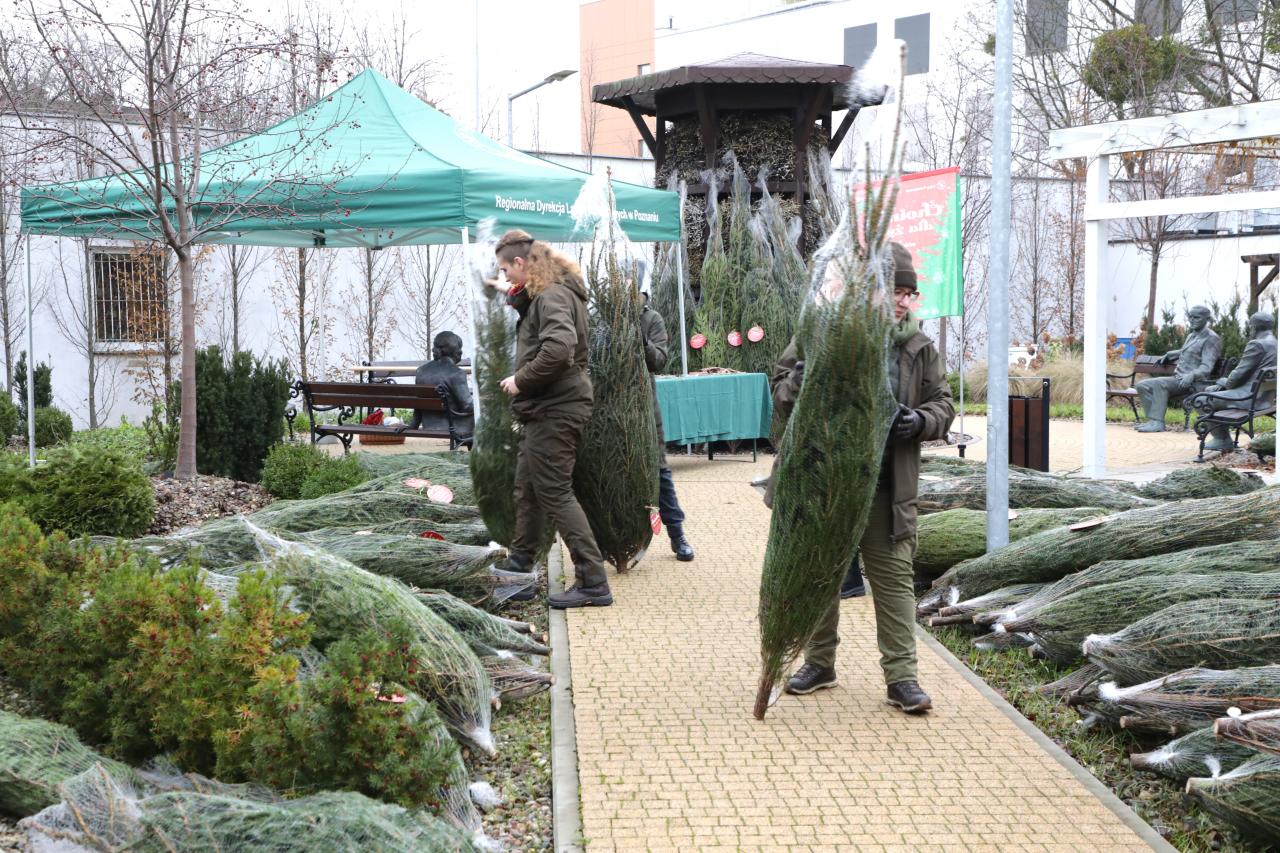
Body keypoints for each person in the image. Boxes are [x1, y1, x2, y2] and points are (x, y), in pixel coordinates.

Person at [768, 242, 954, 714]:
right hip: (823, 481)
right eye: (896, 289)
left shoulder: (918, 346)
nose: (904, 300)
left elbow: (944, 404)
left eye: (910, 293)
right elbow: (779, 391)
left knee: (892, 579)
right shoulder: (823, 330)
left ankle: (902, 678)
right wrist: (800, 381)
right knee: (820, 574)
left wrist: (921, 421)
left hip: (886, 485)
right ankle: (819, 662)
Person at [493, 229, 613, 609]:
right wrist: (512, 295)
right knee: (528, 488)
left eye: (506, 269)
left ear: (521, 263)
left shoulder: (552, 295)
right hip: (550, 407)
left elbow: (560, 348)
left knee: (556, 492)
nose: (505, 275)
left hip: (556, 408)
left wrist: (520, 380)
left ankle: (593, 581)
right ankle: (519, 570)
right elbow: (542, 323)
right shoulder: (548, 293)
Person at [637, 287, 695, 562]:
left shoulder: (651, 319)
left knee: (659, 470)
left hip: (645, 407)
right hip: (609, 407)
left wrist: (642, 342)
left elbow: (659, 360)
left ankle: (677, 534)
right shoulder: (601, 316)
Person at [1196, 311, 1277, 452]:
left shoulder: (1257, 344)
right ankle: (1221, 437)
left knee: (1202, 399)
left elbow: (1239, 374)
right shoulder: (1275, 343)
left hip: (1251, 399)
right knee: (1210, 391)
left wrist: (1223, 382)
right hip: (1266, 399)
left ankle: (1222, 440)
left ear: (1254, 327)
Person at [1135, 305, 1222, 432]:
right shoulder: (1192, 335)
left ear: (1206, 319)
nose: (1192, 320)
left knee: (1160, 384)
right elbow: (1188, 351)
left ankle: (1158, 423)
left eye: (1196, 317)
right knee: (1142, 385)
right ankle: (1152, 420)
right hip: (1178, 379)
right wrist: (1171, 354)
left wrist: (1191, 375)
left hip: (1194, 383)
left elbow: (1206, 367)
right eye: (1190, 317)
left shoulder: (1211, 338)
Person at [408, 331, 474, 440]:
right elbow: (467, 406)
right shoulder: (457, 373)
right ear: (454, 350)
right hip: (455, 427)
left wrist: (413, 425)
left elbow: (419, 404)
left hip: (429, 426)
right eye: (459, 347)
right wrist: (483, 402)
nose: (461, 351)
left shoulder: (421, 371)